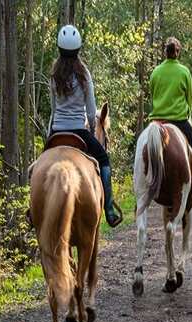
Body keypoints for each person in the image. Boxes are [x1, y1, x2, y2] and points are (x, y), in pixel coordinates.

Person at [48, 25, 122, 227]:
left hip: (57, 131)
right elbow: (91, 112)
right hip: (78, 130)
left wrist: (49, 135)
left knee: (38, 167)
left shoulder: (54, 76)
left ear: (59, 49)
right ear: (78, 50)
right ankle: (109, 210)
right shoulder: (84, 75)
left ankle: (32, 211)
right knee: (104, 161)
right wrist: (90, 133)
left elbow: (53, 110)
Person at [148, 37, 192, 213]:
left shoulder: (155, 72)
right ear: (178, 52)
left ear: (165, 52)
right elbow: (190, 100)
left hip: (157, 121)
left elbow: (153, 95)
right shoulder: (184, 72)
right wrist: (184, 114)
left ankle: (140, 194)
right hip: (179, 121)